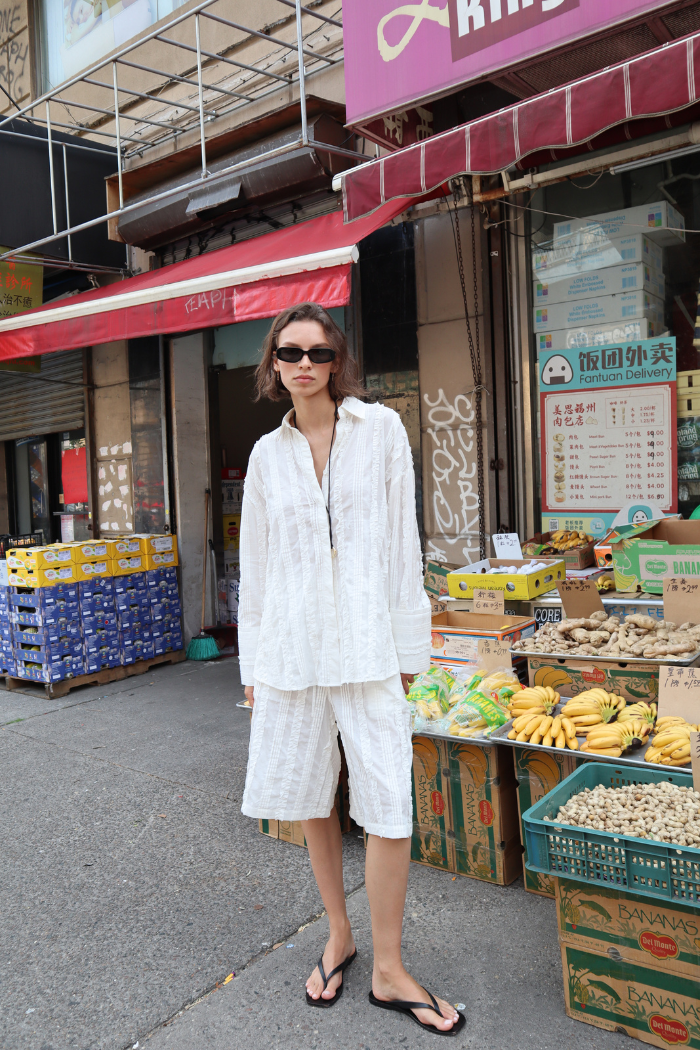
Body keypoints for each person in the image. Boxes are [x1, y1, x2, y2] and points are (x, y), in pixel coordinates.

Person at [238, 302, 465, 1036]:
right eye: (290, 353)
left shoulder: (382, 432)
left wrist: (408, 651)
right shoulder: (266, 457)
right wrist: (253, 662)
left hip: (369, 646)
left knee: (388, 798)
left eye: (320, 353)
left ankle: (392, 968)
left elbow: (404, 543)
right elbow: (258, 567)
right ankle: (339, 934)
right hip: (294, 650)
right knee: (311, 796)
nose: (305, 365)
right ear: (273, 363)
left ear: (340, 362)